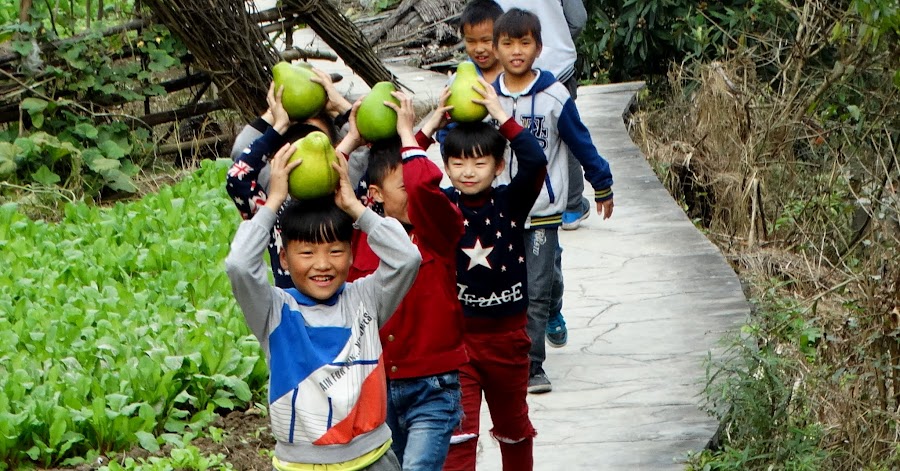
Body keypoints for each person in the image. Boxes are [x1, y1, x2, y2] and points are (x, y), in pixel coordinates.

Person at [224, 138, 422, 470]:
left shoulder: (365, 300)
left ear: (352, 252)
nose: (322, 264)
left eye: (335, 250)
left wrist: (355, 209)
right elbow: (239, 265)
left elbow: (407, 259)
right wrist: (272, 202)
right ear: (284, 258)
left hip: (372, 458)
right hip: (300, 464)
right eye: (307, 252)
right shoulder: (275, 311)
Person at [491, 8, 614, 394]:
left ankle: (532, 367)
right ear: (496, 49)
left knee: (537, 287)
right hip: (504, 211)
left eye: (524, 43)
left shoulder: (554, 96)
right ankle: (548, 303)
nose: (516, 52)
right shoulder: (487, 97)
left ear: (538, 48)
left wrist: (602, 181)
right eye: (507, 44)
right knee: (517, 285)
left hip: (543, 210)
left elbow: (579, 140)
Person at [344, 90, 467, 470]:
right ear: (376, 195)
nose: (412, 194)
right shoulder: (362, 234)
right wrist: (351, 139)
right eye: (400, 190)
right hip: (377, 387)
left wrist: (412, 134)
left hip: (434, 388)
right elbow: (330, 182)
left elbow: (420, 184)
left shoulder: (438, 229)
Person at [438, 77, 546, 471]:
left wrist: (502, 115)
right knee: (458, 436)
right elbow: (407, 181)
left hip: (507, 340)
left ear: (499, 166)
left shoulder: (510, 203)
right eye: (458, 163)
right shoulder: (441, 207)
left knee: (514, 428)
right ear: (446, 166)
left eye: (480, 162)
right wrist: (431, 121)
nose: (468, 171)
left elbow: (534, 161)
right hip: (458, 342)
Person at [226, 70, 364, 289]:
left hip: (348, 311)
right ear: (278, 157)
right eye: (297, 144)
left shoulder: (347, 190)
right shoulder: (274, 197)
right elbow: (238, 171)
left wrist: (339, 105)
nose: (310, 147)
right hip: (291, 313)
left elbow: (370, 145)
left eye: (319, 142)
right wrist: (277, 121)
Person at [495, 0, 590, 233]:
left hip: (508, 73)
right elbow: (578, 19)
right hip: (558, 67)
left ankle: (512, 201)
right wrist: (554, 43)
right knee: (565, 135)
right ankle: (572, 207)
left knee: (509, 134)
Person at [435, 0, 504, 148]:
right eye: (471, 41)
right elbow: (445, 133)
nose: (479, 49)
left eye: (486, 40)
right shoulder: (454, 83)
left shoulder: (513, 80)